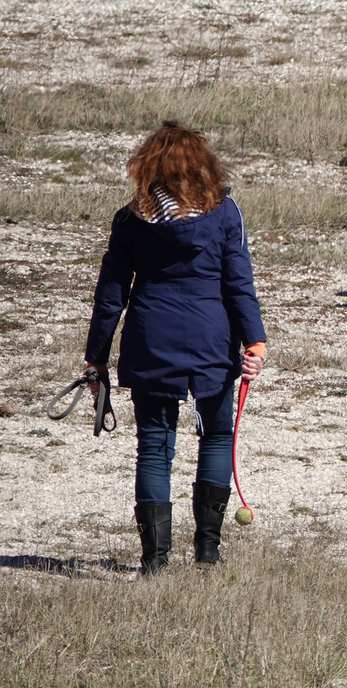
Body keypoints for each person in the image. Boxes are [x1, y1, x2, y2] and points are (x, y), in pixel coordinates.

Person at [83, 121, 267, 575]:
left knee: (154, 445)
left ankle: (155, 562)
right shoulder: (226, 214)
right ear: (202, 166)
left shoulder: (130, 220)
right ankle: (207, 552)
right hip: (212, 338)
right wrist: (255, 341)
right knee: (217, 435)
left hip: (151, 338)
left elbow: (111, 296)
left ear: (147, 168)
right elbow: (239, 284)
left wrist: (96, 358)